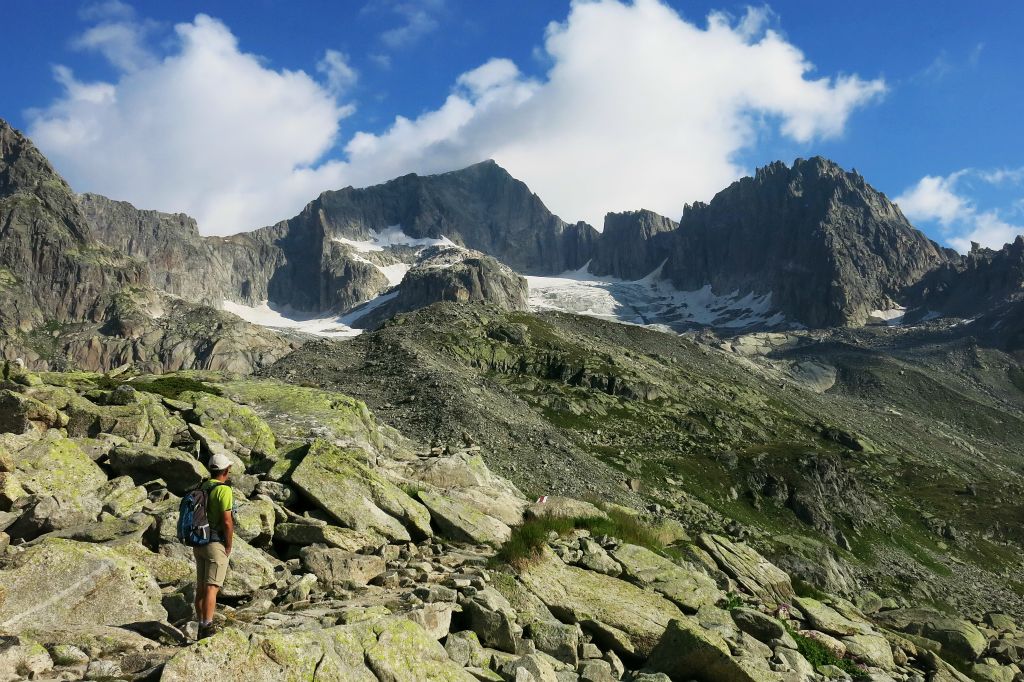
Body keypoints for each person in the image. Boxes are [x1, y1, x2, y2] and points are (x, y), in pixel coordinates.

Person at [193, 453, 235, 640]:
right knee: (212, 587)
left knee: (201, 587)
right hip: (215, 542)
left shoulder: (203, 486)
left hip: (199, 541)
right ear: (226, 470)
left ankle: (200, 624)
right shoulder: (224, 490)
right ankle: (207, 627)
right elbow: (227, 521)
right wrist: (229, 544)